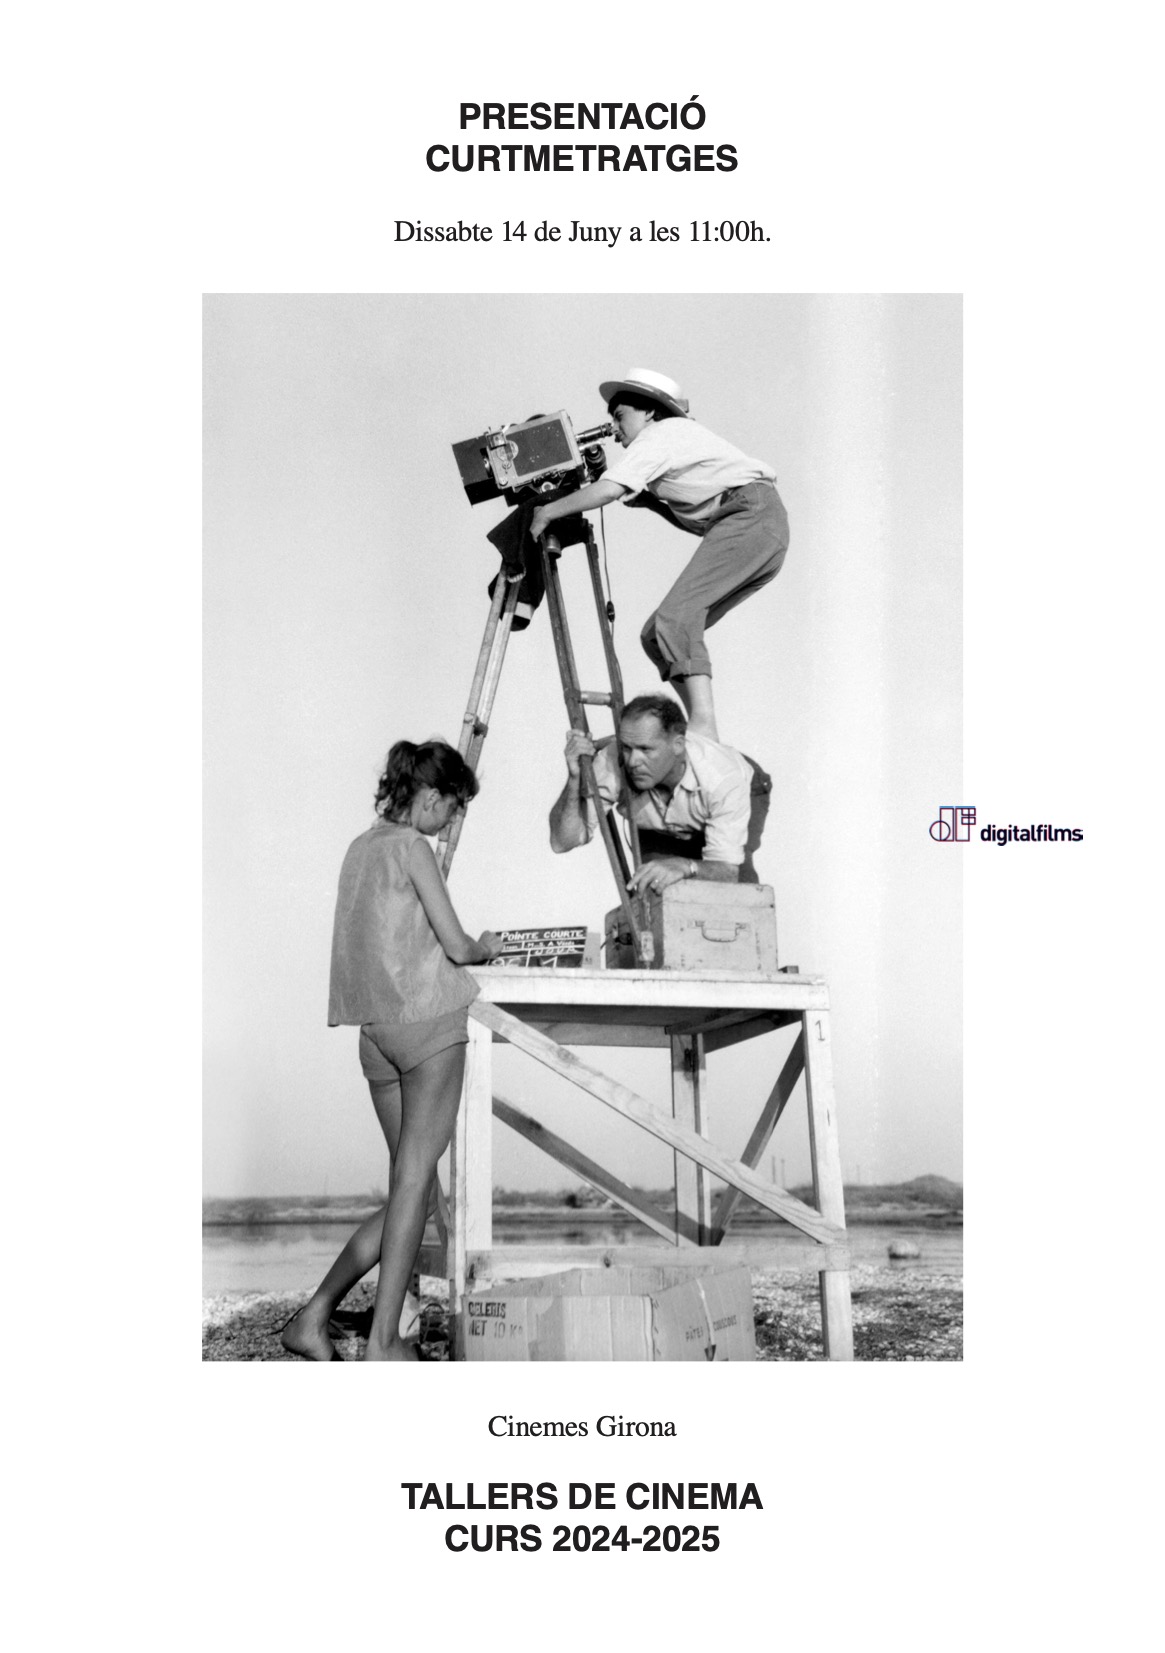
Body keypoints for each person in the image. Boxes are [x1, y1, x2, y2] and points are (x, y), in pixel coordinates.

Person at [280, 739, 501, 1362]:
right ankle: (383, 1343)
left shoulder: (360, 848)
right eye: (453, 807)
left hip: (375, 1035)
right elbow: (456, 946)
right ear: (430, 797)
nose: (451, 821)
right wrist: (486, 946)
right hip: (426, 1025)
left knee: (414, 1188)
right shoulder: (412, 847)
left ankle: (314, 1316)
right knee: (414, 1181)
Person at [528, 368, 788, 742]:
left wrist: (548, 511)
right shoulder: (673, 443)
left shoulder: (659, 434)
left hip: (753, 516)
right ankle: (696, 724)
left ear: (650, 412)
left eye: (620, 416)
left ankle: (704, 726)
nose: (615, 429)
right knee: (655, 635)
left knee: (675, 620)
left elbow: (608, 490)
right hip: (761, 527)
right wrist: (653, 503)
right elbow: (704, 526)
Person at [548, 694, 771, 892]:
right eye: (627, 747)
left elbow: (728, 871)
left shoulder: (723, 780)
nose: (633, 761)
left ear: (678, 745)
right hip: (661, 822)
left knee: (736, 893)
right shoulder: (612, 761)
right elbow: (562, 842)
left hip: (742, 790)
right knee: (654, 887)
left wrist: (687, 866)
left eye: (645, 749)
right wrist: (574, 779)